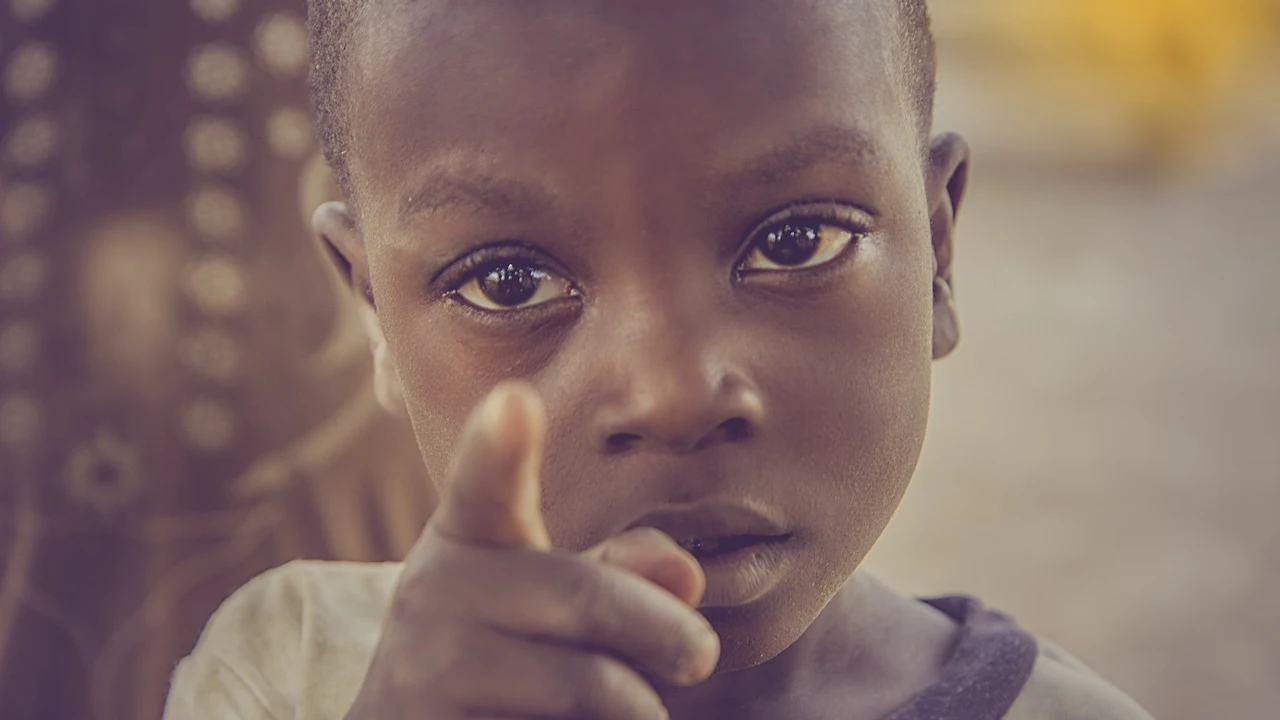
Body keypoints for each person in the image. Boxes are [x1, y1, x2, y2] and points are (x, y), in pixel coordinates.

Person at [163, 0, 1154, 718]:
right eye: (506, 282)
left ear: (935, 254)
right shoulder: (286, 668)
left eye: (794, 242)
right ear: (373, 309)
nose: (675, 392)